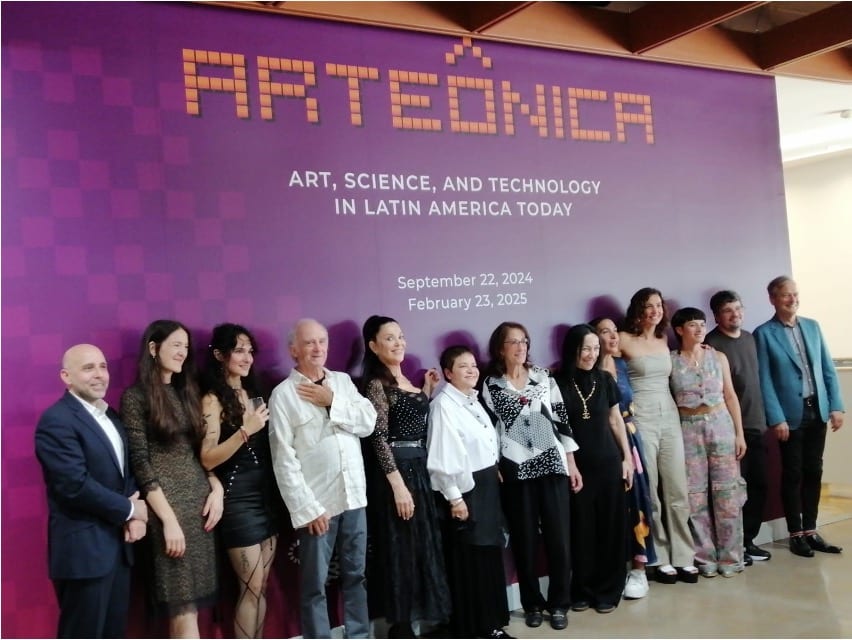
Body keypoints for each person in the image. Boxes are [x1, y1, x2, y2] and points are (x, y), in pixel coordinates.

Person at [268, 319, 377, 639]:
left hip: (354, 497)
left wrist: (332, 401)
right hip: (318, 507)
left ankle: (359, 635)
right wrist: (307, 509)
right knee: (314, 585)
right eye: (309, 342)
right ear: (293, 350)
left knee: (356, 575)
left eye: (322, 341)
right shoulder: (283, 395)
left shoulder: (342, 382)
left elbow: (368, 422)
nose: (318, 348)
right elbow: (284, 460)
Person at [35, 344, 149, 638]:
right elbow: (74, 485)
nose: (99, 374)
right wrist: (130, 510)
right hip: (83, 555)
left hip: (119, 549)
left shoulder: (111, 415)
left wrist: (134, 517)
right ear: (66, 377)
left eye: (102, 366)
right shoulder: (56, 420)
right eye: (88, 368)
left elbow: (126, 472)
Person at [120, 320, 223, 638]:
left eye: (186, 346)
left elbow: (198, 454)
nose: (183, 352)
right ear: (153, 348)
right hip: (167, 510)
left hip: (200, 510)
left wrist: (216, 487)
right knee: (182, 609)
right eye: (176, 345)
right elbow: (141, 465)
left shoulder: (186, 392)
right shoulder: (135, 398)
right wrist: (167, 521)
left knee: (193, 609)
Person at [481, 321, 582, 631]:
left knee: (559, 539)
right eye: (513, 342)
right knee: (524, 540)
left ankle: (559, 604)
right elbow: (488, 429)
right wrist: (494, 464)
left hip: (551, 463)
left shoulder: (542, 376)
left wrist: (571, 462)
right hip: (515, 468)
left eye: (524, 341)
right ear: (500, 348)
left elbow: (561, 418)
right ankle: (532, 604)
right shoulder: (491, 384)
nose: (521, 347)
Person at [360, 315, 450, 638]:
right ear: (373, 346)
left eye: (400, 336)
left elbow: (413, 422)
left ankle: (428, 620)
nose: (398, 343)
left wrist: (426, 390)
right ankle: (401, 627)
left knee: (425, 545)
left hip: (420, 469)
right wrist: (398, 486)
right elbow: (379, 438)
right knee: (402, 549)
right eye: (389, 338)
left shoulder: (409, 382)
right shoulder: (376, 385)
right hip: (397, 474)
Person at [753, 276, 845, 557]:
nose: (792, 299)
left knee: (814, 471)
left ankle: (811, 530)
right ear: (773, 299)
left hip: (817, 410)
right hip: (789, 416)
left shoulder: (813, 327)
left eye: (795, 294)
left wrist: (836, 406)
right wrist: (776, 417)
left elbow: (827, 369)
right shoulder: (764, 333)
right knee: (793, 473)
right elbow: (764, 380)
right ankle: (795, 533)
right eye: (785, 295)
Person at [426, 345, 514, 640]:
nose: (471, 370)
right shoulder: (443, 406)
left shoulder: (473, 400)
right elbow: (442, 457)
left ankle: (493, 623)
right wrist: (455, 498)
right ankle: (477, 627)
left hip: (487, 484)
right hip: (465, 491)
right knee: (472, 558)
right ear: (448, 373)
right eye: (463, 366)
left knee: (489, 554)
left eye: (473, 365)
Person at [199, 323, 279, 638]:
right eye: (239, 351)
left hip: (266, 497)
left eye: (250, 351)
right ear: (220, 355)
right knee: (251, 585)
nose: (247, 358)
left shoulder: (254, 392)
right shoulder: (212, 399)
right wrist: (246, 430)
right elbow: (207, 457)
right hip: (237, 501)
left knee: (262, 586)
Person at [619, 288, 696, 584]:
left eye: (659, 305)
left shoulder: (665, 340)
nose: (655, 311)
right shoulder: (624, 339)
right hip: (642, 418)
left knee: (677, 489)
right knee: (650, 491)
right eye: (648, 306)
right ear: (637, 309)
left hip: (670, 416)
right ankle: (659, 556)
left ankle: (684, 556)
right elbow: (610, 371)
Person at [553, 325, 633, 614]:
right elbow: (557, 428)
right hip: (578, 467)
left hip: (609, 462)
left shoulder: (605, 379)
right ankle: (582, 589)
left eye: (595, 349)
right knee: (582, 529)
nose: (591, 354)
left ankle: (609, 590)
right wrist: (570, 464)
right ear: (572, 350)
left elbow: (615, 420)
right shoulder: (556, 383)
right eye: (585, 348)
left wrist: (627, 458)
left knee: (611, 528)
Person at [670, 308, 747, 578]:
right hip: (687, 428)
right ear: (679, 329)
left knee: (727, 493)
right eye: (693, 325)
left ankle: (731, 557)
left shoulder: (718, 357)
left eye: (702, 324)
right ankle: (704, 558)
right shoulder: (671, 361)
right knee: (695, 496)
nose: (700, 329)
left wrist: (739, 433)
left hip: (720, 424)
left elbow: (730, 396)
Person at [590, 317, 657, 599]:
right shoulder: (587, 371)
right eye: (604, 332)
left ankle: (639, 569)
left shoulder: (622, 365)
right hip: (601, 442)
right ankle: (611, 571)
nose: (612, 336)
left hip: (629, 437)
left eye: (614, 330)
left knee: (638, 501)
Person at [705, 290, 772, 564]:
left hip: (757, 425)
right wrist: (734, 432)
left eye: (738, 308)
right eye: (728, 310)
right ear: (716, 316)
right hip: (730, 431)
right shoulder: (711, 345)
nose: (735, 314)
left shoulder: (749, 338)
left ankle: (748, 542)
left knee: (759, 485)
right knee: (731, 492)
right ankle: (731, 545)